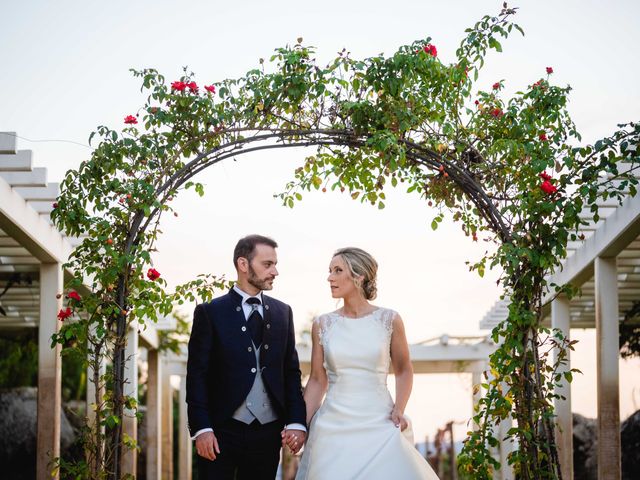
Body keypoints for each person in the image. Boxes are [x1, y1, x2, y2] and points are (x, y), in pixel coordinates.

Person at [293, 247, 440, 479]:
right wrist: (299, 425)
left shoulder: (389, 320)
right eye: (330, 271)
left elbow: (403, 370)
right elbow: (317, 381)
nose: (329, 277)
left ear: (359, 276)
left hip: (379, 423)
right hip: (333, 427)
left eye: (338, 270)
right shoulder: (322, 324)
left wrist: (399, 409)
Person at [186, 234, 307, 480]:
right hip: (220, 432)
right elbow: (197, 375)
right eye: (267, 264)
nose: (275, 271)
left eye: (275, 264)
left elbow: (291, 372)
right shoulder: (210, 312)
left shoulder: (283, 313)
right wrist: (202, 429)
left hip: (268, 432)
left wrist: (296, 422)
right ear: (243, 264)